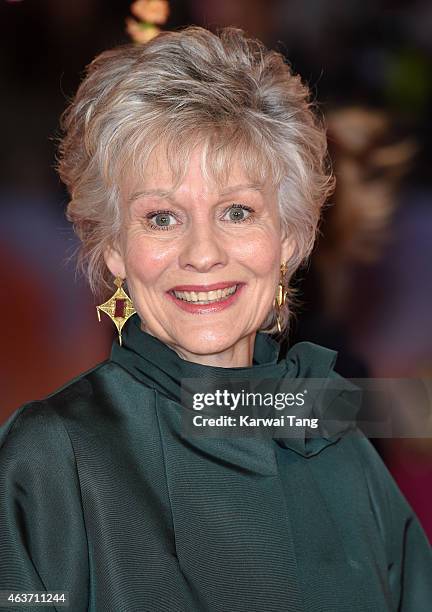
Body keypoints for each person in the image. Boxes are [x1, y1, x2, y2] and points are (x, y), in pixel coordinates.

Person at [0, 26, 431, 612]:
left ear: (291, 238)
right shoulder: (51, 457)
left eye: (237, 211)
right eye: (161, 218)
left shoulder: (332, 438)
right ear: (112, 248)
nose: (202, 253)